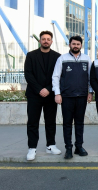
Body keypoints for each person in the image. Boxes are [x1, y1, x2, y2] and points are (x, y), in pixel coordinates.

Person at [52, 36, 93, 159]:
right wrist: (57, 93)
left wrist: (90, 92)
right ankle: (68, 148)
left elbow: (90, 77)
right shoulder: (62, 59)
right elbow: (55, 77)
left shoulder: (87, 59)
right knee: (67, 123)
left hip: (82, 96)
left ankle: (79, 147)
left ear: (81, 45)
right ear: (69, 45)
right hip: (67, 97)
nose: (76, 46)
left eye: (78, 44)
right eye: (73, 44)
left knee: (80, 123)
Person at [24, 31, 61, 161]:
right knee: (33, 122)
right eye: (43, 39)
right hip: (34, 94)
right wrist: (40, 89)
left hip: (50, 95)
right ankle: (32, 148)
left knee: (50, 122)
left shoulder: (58, 57)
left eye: (48, 39)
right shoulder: (31, 55)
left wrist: (49, 89)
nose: (46, 41)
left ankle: (50, 145)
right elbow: (28, 74)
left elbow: (58, 76)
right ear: (40, 41)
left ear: (51, 41)